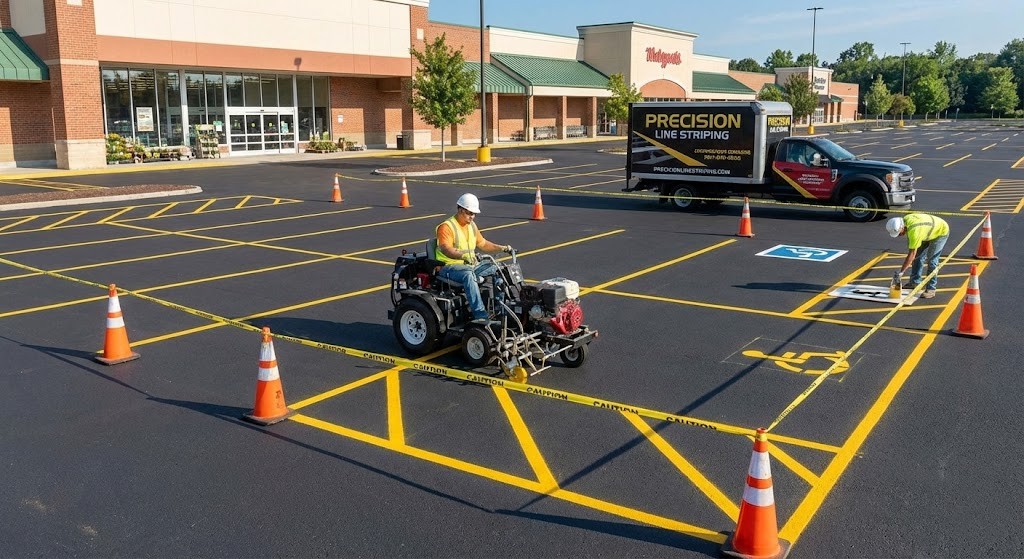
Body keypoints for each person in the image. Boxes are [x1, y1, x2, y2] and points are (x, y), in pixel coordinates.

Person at [435, 193, 514, 320]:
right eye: (470, 213)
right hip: (448, 267)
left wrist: (502, 248)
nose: (473, 216)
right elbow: (446, 248)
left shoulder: (471, 226)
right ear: (461, 210)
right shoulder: (446, 227)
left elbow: (483, 244)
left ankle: (501, 307)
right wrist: (463, 256)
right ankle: (480, 314)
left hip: (469, 265)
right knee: (468, 275)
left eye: (474, 214)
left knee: (499, 269)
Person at [886, 213, 950, 299]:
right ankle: (915, 282)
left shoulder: (914, 232)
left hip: (940, 231)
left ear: (902, 227)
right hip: (926, 232)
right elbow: (914, 254)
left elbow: (911, 254)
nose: (900, 235)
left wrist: (901, 272)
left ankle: (931, 289)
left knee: (932, 260)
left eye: (899, 233)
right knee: (918, 257)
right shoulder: (906, 220)